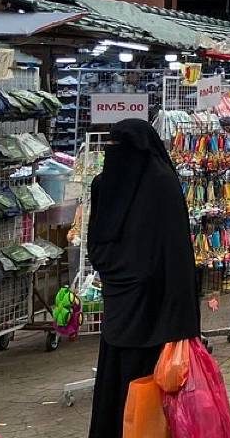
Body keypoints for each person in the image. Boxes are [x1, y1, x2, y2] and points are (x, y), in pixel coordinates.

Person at [87, 119, 200, 438]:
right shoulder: (163, 183)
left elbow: (97, 246)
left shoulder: (105, 182)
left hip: (120, 310)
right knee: (155, 395)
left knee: (117, 390)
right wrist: (187, 322)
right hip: (158, 313)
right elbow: (178, 255)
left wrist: (115, 273)